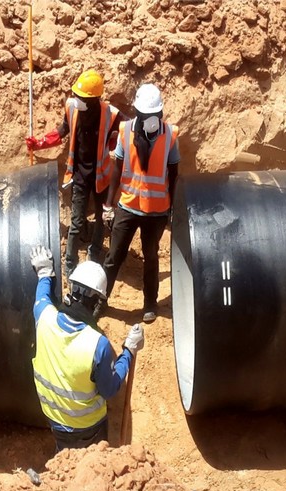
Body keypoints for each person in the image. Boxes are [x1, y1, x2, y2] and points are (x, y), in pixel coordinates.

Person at [29, 245, 144, 451]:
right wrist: (128, 351)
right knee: (93, 464)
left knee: (64, 459)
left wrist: (45, 272)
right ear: (97, 301)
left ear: (71, 287)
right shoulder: (97, 344)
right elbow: (109, 389)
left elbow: (42, 296)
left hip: (54, 419)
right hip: (88, 428)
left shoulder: (44, 317)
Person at [26, 69, 124, 277]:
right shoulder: (72, 107)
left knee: (101, 219)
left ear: (94, 99)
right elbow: (61, 131)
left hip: (101, 177)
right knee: (77, 221)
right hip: (79, 175)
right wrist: (40, 143)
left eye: (81, 97)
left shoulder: (111, 114)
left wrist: (117, 141)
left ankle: (94, 256)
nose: (76, 99)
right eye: (76, 95)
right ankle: (70, 262)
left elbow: (130, 130)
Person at [97, 84, 180, 323]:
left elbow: (173, 174)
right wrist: (108, 204)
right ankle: (100, 300)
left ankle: (150, 303)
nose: (151, 119)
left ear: (160, 113)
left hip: (156, 211)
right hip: (128, 206)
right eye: (146, 114)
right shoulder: (126, 131)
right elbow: (117, 169)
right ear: (138, 112)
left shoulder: (170, 135)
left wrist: (172, 208)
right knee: (114, 255)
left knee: (151, 257)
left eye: (155, 114)